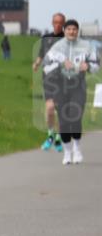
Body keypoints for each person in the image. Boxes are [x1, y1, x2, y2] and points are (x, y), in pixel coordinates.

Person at [42, 19, 100, 165]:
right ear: (65, 31)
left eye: (74, 29)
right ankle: (67, 152)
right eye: (69, 29)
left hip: (78, 85)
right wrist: (61, 62)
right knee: (63, 120)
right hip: (61, 85)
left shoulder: (86, 46)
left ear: (77, 31)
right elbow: (46, 66)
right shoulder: (57, 46)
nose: (72, 32)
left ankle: (77, 148)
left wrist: (88, 67)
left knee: (76, 117)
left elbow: (96, 65)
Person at [33, 12, 67, 152]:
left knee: (60, 111)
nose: (58, 24)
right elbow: (41, 54)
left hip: (64, 80)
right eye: (56, 22)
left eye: (60, 22)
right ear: (52, 23)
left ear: (64, 24)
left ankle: (58, 138)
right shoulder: (46, 39)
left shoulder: (68, 40)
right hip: (48, 79)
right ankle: (50, 136)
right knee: (50, 109)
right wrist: (36, 63)